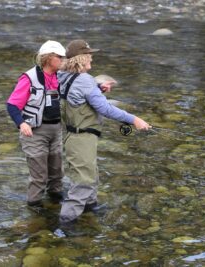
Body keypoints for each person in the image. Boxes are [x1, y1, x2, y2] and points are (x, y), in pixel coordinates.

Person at [57, 39, 150, 224]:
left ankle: (90, 207)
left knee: (90, 172)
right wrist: (134, 119)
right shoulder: (84, 80)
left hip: (70, 134)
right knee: (84, 180)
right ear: (81, 60)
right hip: (81, 136)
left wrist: (97, 89)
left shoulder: (63, 75)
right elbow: (106, 109)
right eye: (89, 58)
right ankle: (66, 223)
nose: (91, 63)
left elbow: (77, 94)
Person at [6, 40, 66, 209]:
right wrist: (21, 123)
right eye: (59, 57)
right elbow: (12, 105)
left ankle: (56, 204)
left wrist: (99, 88)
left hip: (56, 130)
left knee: (57, 173)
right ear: (48, 58)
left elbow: (81, 87)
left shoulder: (60, 75)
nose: (63, 60)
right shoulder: (29, 78)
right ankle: (35, 210)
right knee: (39, 176)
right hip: (34, 132)